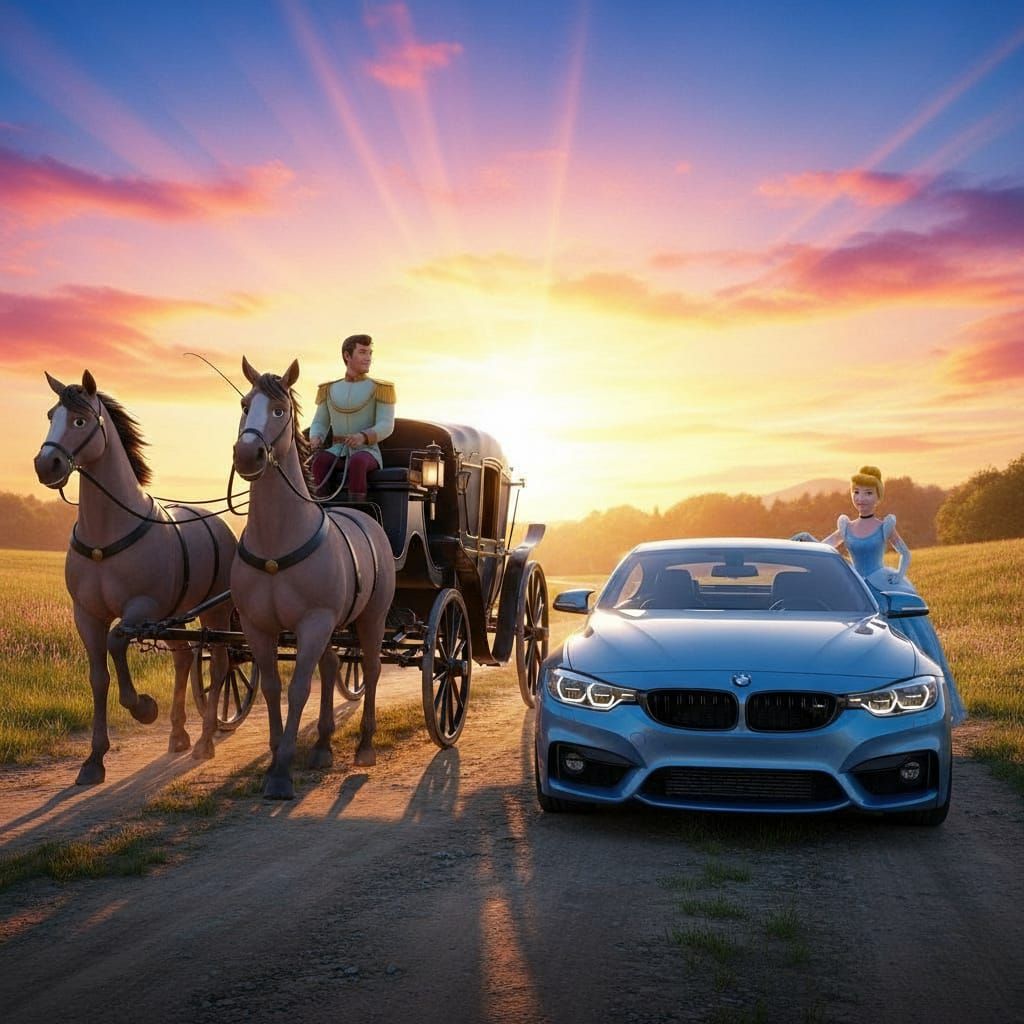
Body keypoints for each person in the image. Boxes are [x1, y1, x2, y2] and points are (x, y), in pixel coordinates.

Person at [816, 465, 967, 725]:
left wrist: (898, 575)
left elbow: (905, 553)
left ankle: (909, 698)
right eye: (856, 492)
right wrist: (806, 543)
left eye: (867, 493)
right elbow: (826, 546)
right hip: (855, 585)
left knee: (901, 639)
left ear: (878, 496)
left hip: (881, 583)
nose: (861, 499)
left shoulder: (884, 526)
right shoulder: (846, 526)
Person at [308, 334, 396, 501]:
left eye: (370, 353)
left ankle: (358, 512)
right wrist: (316, 437)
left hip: (367, 452)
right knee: (320, 461)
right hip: (337, 451)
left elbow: (386, 424)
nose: (368, 358)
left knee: (358, 462)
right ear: (347, 356)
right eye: (363, 352)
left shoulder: (381, 388)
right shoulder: (329, 389)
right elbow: (320, 421)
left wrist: (363, 437)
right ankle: (320, 509)